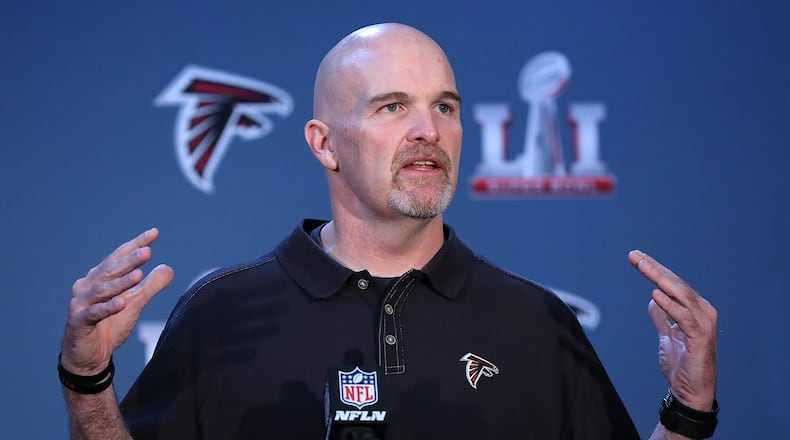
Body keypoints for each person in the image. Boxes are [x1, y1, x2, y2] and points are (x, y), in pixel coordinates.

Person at [60, 23, 718, 439]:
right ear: (324, 144)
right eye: (393, 106)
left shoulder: (536, 323)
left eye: (445, 107)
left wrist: (687, 409)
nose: (428, 130)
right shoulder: (219, 314)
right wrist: (87, 379)